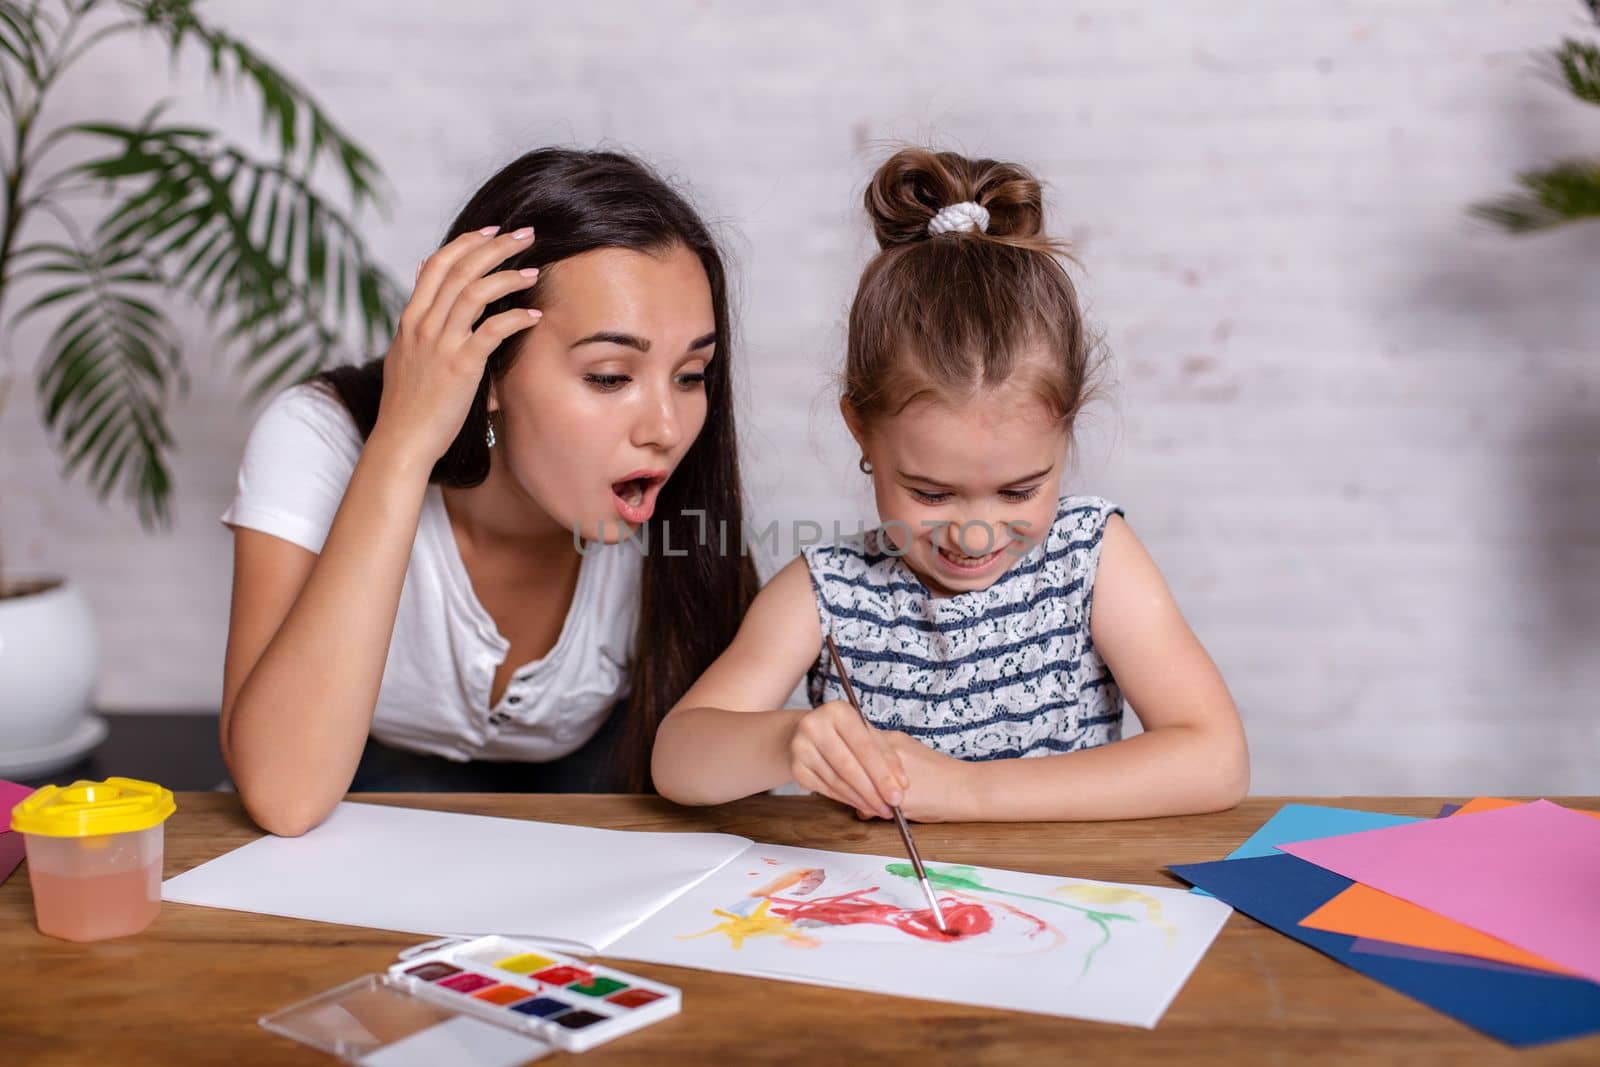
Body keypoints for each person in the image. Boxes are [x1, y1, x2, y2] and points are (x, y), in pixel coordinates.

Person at [652, 147, 1247, 822]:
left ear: (1067, 433)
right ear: (861, 431)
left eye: (1020, 490)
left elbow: (1216, 757)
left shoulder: (1095, 558)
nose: (974, 531)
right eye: (931, 493)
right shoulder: (826, 593)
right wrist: (786, 740)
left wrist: (970, 791)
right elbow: (678, 757)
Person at [221, 148, 757, 836]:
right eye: (609, 376)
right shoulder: (318, 438)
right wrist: (404, 440)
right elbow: (282, 794)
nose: (664, 428)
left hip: (594, 824)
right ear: (488, 366)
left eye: (691, 375)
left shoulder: (681, 513)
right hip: (356, 808)